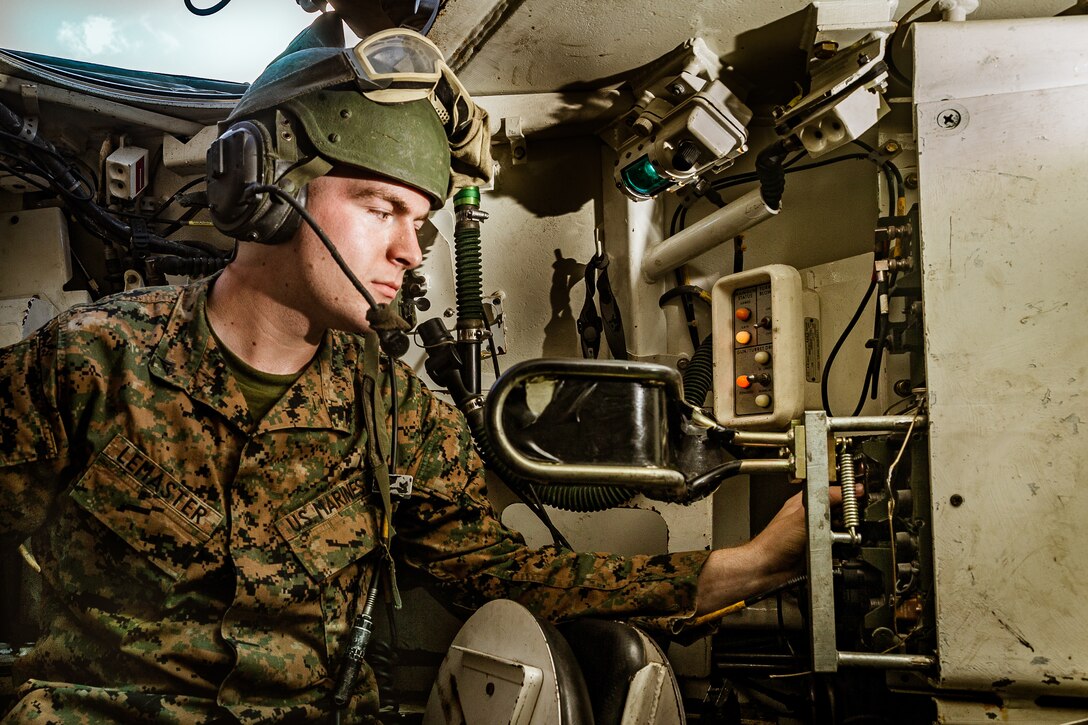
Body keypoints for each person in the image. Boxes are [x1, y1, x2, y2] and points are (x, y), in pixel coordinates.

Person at [0, 17, 825, 724]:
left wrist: (759, 561)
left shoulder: (399, 418)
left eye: (421, 222)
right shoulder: (87, 361)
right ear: (262, 190)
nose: (408, 249)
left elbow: (525, 579)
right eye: (379, 207)